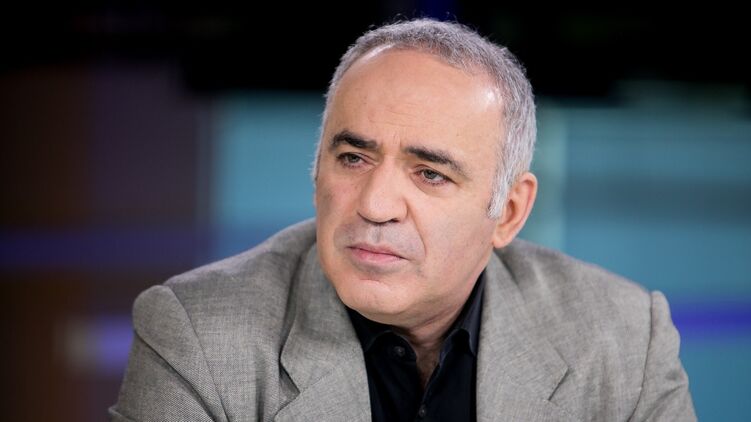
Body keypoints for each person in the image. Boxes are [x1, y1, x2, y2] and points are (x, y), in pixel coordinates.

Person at [110, 18, 696, 421]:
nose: (375, 204)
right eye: (353, 158)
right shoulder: (197, 335)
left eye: (430, 174)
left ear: (509, 212)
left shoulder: (625, 340)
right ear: (316, 171)